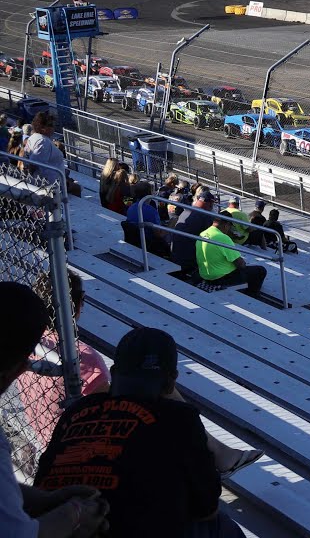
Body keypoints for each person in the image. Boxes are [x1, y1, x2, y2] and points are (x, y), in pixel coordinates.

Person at [35, 327, 247, 538]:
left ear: (115, 372)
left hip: (50, 527)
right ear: (172, 380)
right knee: (224, 528)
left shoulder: (77, 410)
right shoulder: (180, 417)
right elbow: (207, 508)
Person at [0, 282, 110, 538]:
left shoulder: (41, 350)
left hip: (45, 443)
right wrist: (74, 513)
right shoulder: (88, 360)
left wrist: (47, 499)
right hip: (76, 453)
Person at [197, 213, 267, 297]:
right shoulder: (223, 238)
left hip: (205, 275)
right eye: (230, 226)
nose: (230, 229)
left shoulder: (203, 234)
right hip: (220, 278)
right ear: (226, 225)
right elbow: (241, 264)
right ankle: (252, 295)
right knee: (260, 271)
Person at [22, 112, 80, 197]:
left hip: (47, 180)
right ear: (43, 128)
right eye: (51, 125)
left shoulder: (33, 137)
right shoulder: (43, 142)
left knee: (73, 183)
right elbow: (33, 164)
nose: (53, 128)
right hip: (49, 185)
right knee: (77, 188)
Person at [171, 190, 216, 278]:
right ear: (210, 203)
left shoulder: (185, 211)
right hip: (189, 258)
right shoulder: (205, 215)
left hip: (175, 253)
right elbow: (214, 235)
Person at [125, 182, 170, 257]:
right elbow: (159, 235)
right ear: (149, 194)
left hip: (137, 243)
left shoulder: (131, 207)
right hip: (150, 244)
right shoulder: (151, 211)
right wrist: (172, 224)